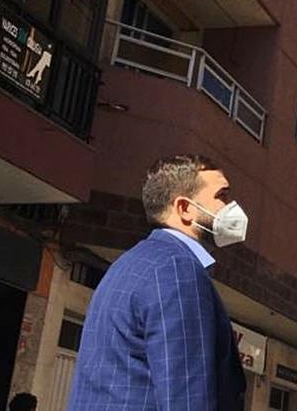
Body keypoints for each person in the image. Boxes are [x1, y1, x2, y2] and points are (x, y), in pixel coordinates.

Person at [68, 154, 248, 410]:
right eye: (222, 196)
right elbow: (187, 398)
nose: (231, 208)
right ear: (184, 208)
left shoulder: (128, 265)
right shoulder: (177, 269)